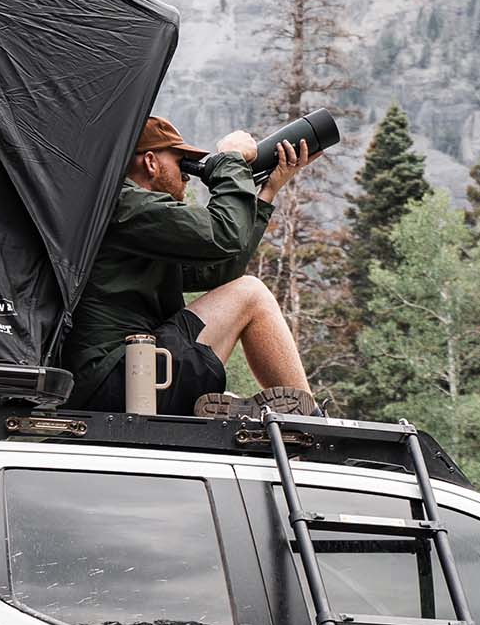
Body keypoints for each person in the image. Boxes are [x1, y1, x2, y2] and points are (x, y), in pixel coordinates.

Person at [65, 114, 321, 416]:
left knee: (231, 388)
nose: (188, 176)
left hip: (127, 374)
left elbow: (220, 267)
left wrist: (267, 191)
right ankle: (313, 424)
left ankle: (252, 411)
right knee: (251, 293)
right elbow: (224, 234)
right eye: (182, 163)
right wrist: (230, 160)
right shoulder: (123, 204)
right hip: (119, 376)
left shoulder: (134, 223)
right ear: (150, 162)